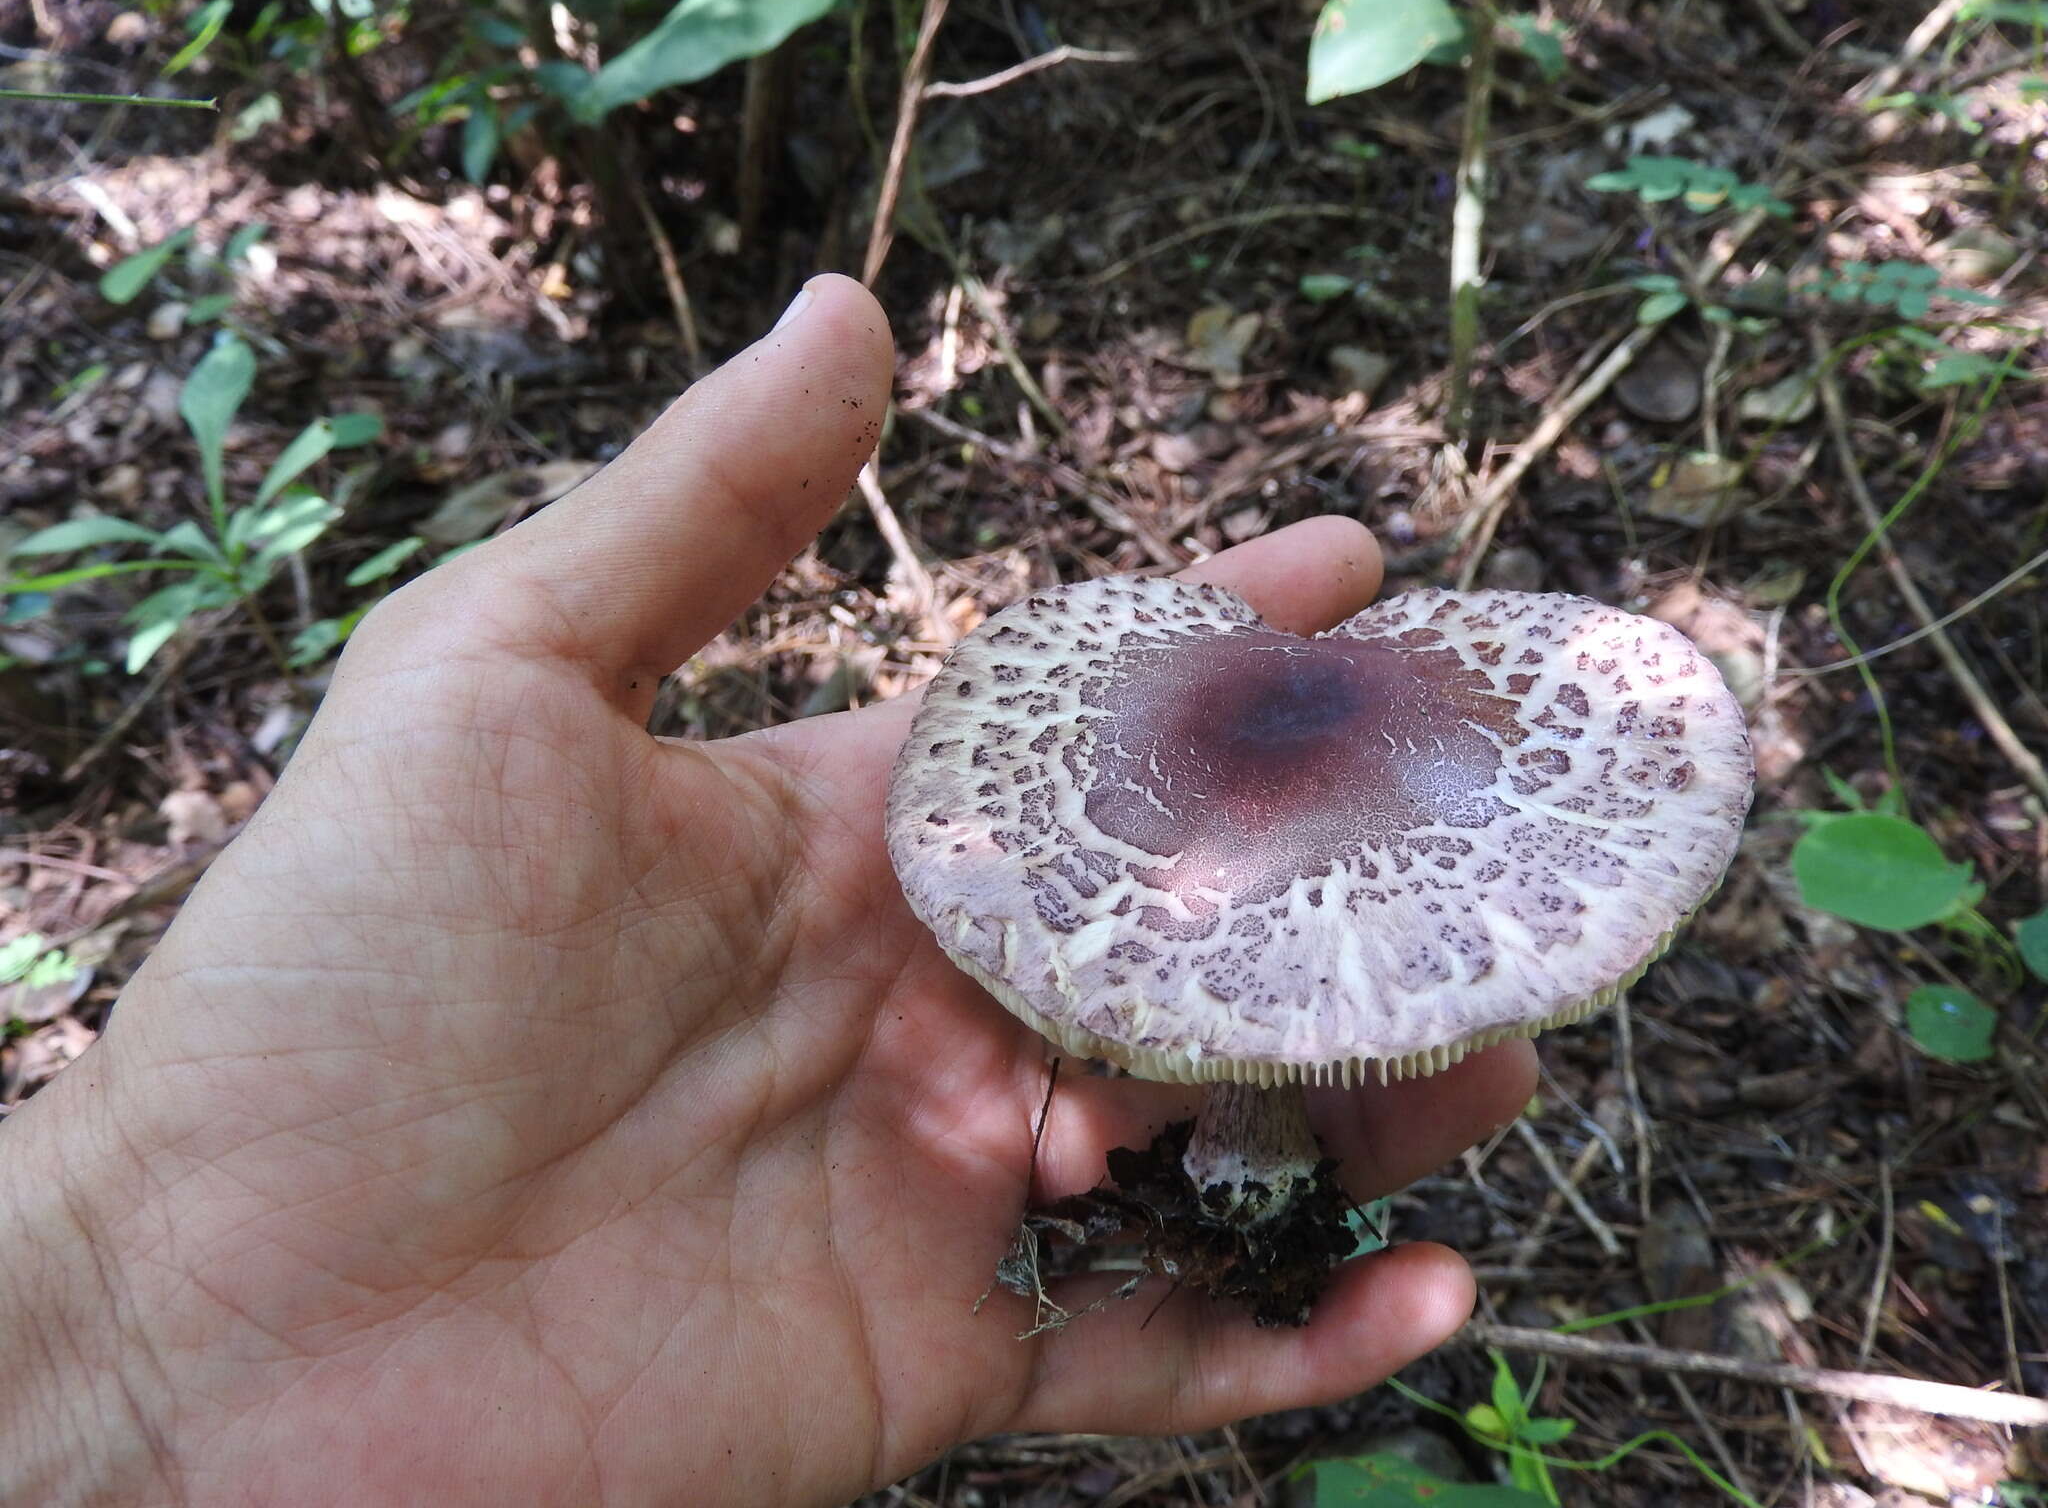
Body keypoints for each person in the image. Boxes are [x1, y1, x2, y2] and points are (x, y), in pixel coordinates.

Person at [0, 275, 1536, 1506]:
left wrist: (116, 1309)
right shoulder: (1068, 707)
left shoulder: (1523, 717)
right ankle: (1237, 1221)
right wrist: (108, 1293)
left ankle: (1245, 1216)